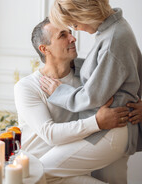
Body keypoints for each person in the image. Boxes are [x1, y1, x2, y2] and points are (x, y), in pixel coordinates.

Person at [39, 0, 142, 181]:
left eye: (74, 24)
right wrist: (68, 63)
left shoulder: (114, 39)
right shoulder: (115, 29)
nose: (75, 30)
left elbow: (93, 96)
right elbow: (115, 68)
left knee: (41, 172)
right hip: (115, 129)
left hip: (111, 130)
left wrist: (58, 92)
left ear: (84, 13)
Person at [14, 18, 130, 184]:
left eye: (70, 33)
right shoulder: (26, 87)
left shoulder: (89, 73)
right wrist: (97, 122)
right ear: (44, 49)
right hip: (37, 171)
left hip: (73, 166)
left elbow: (127, 79)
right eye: (63, 35)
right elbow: (50, 134)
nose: (73, 38)